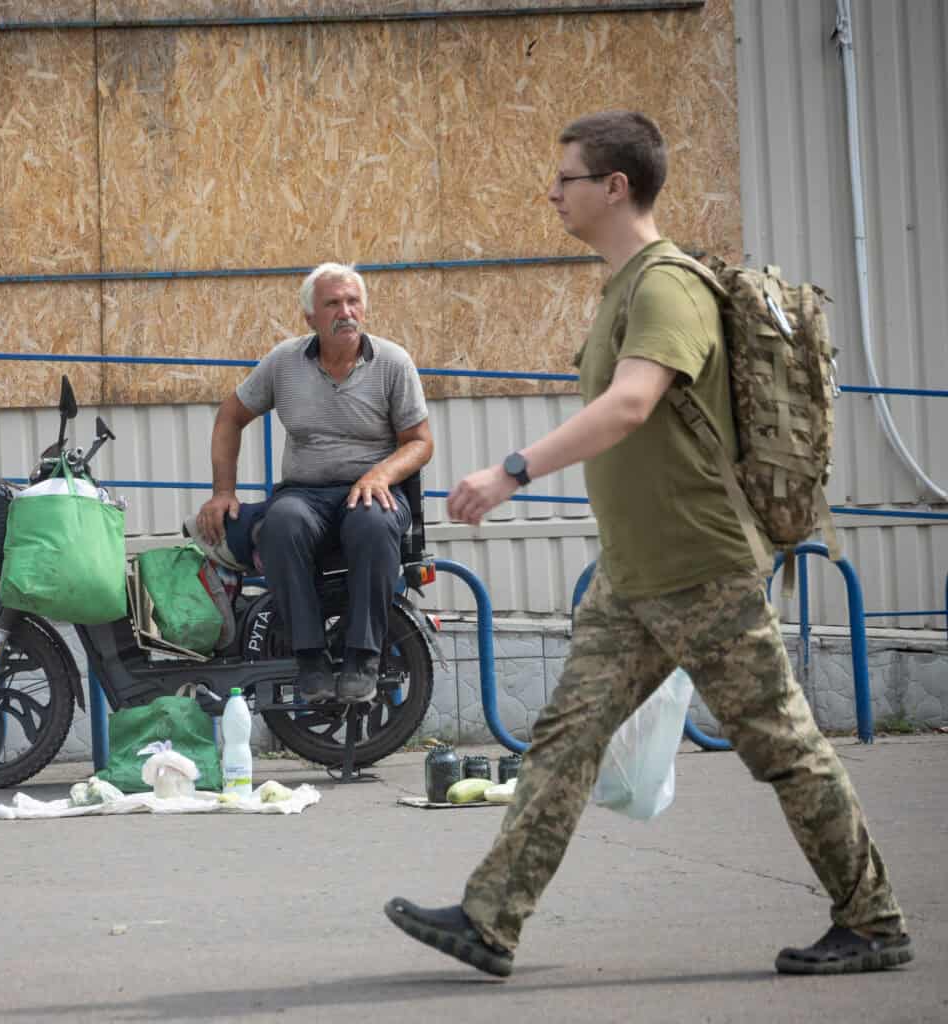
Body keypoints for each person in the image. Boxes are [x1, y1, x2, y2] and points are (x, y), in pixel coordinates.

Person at [384, 110, 911, 977]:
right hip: (635, 577)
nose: (551, 193)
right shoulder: (621, 288)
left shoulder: (667, 286)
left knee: (783, 748)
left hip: (704, 570)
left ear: (615, 187)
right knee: (564, 741)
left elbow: (631, 404)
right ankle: (490, 920)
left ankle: (876, 918)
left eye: (567, 179)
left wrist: (512, 470)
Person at [193, 263, 433, 703]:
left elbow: (419, 443)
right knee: (282, 522)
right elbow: (230, 417)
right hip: (306, 495)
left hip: (373, 490)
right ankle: (310, 659)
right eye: (332, 304)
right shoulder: (284, 362)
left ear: (364, 308)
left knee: (372, 522)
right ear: (310, 318)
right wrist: (223, 491)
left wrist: (380, 474)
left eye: (352, 301)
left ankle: (363, 657)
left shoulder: (393, 362)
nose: (345, 312)